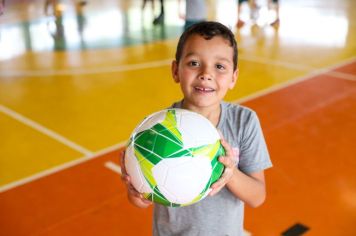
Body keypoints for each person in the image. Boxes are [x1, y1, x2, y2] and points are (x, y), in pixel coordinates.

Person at [121, 21, 272, 235]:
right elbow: (141, 201)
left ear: (233, 78)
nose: (206, 74)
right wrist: (136, 192)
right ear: (176, 70)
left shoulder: (244, 121)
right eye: (193, 63)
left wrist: (230, 174)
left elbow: (257, 197)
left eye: (219, 66)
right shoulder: (157, 130)